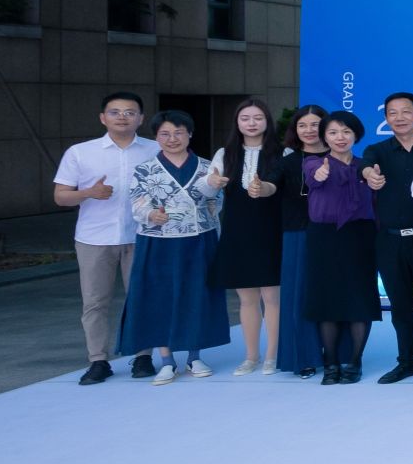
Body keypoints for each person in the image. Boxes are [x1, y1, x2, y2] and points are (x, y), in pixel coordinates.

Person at [53, 91, 160, 384]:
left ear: (140, 118)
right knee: (95, 302)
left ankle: (143, 356)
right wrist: (89, 192)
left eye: (129, 112)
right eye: (115, 112)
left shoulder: (156, 150)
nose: (122, 117)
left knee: (141, 298)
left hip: (142, 236)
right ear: (103, 118)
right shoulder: (80, 152)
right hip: (94, 238)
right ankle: (98, 361)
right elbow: (60, 196)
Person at [116, 111, 229, 385]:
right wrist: (151, 214)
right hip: (158, 242)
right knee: (160, 297)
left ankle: (194, 356)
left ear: (190, 134)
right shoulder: (145, 169)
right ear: (156, 137)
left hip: (198, 240)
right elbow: (137, 202)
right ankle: (166, 359)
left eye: (178, 132)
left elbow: (217, 203)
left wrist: (214, 191)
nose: (172, 139)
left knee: (197, 295)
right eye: (165, 134)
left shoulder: (207, 167)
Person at [359, 92, 413, 384]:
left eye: (406, 111)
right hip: (389, 240)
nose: (399, 118)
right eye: (392, 113)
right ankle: (407, 361)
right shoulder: (377, 151)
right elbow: (363, 164)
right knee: (400, 305)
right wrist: (368, 173)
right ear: (385, 118)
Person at [302, 111, 382, 384]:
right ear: (324, 137)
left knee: (360, 297)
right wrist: (321, 173)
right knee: (327, 299)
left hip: (361, 236)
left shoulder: (365, 166)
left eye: (346, 132)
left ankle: (355, 361)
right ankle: (331, 363)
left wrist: (374, 178)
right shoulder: (313, 162)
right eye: (333, 132)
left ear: (356, 136)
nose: (340, 137)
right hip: (324, 237)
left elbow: (376, 194)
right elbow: (314, 177)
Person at [206, 99, 280, 377]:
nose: (251, 123)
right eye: (245, 118)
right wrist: (211, 182)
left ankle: (272, 355)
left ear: (267, 121)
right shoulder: (225, 153)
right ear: (237, 122)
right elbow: (208, 189)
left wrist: (266, 188)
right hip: (237, 231)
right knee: (247, 299)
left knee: (272, 297)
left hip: (272, 230)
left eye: (258, 118)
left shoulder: (282, 152)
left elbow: (285, 189)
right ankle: (251, 356)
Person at [269, 104, 329, 378]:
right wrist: (261, 188)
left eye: (315, 124)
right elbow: (271, 184)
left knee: (334, 293)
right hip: (297, 234)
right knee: (298, 297)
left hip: (336, 235)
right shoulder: (288, 161)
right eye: (302, 125)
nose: (308, 130)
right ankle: (303, 357)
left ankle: (338, 354)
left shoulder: (340, 157)